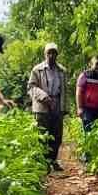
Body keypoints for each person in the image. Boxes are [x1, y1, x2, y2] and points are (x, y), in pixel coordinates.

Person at [27, 43, 67, 171]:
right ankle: (43, 163)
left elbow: (65, 90)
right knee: (42, 134)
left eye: (54, 53)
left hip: (56, 104)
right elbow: (31, 87)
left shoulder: (62, 71)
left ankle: (53, 160)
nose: (51, 55)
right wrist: (43, 96)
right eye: (49, 53)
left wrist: (64, 108)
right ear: (45, 54)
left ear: (57, 55)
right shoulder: (37, 69)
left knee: (57, 135)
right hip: (41, 106)